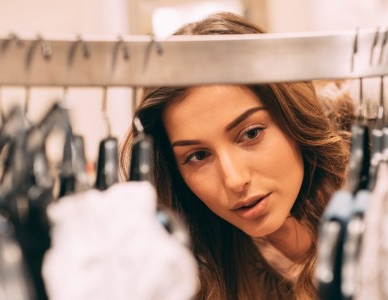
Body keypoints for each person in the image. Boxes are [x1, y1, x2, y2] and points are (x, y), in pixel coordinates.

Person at [121, 12, 349, 299]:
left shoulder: (384, 188)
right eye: (199, 156)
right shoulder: (188, 276)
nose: (234, 180)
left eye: (251, 134)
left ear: (292, 117)